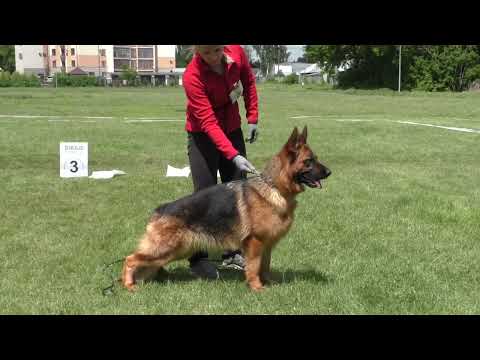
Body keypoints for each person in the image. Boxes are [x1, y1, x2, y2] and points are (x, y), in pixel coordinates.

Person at [182, 45, 259, 279]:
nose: (213, 58)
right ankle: (198, 258)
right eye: (206, 54)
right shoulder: (192, 76)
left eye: (216, 50)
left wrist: (253, 117)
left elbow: (248, 80)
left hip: (232, 127)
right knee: (203, 197)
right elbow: (207, 122)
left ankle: (233, 252)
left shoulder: (236, 52)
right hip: (203, 135)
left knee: (238, 194)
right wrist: (233, 155)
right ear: (197, 52)